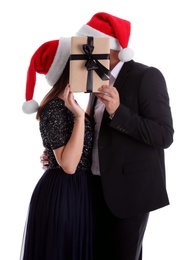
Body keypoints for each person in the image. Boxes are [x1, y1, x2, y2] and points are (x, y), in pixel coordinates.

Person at [41, 12, 174, 260]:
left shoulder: (147, 76)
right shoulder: (96, 79)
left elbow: (164, 135)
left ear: (108, 47)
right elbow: (94, 132)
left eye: (88, 45)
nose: (83, 53)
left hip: (128, 194)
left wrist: (118, 112)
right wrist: (55, 149)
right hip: (92, 191)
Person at [20, 38, 94, 260]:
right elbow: (69, 165)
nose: (88, 68)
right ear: (67, 69)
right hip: (64, 195)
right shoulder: (55, 107)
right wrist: (80, 117)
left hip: (79, 192)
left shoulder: (72, 104)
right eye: (82, 63)